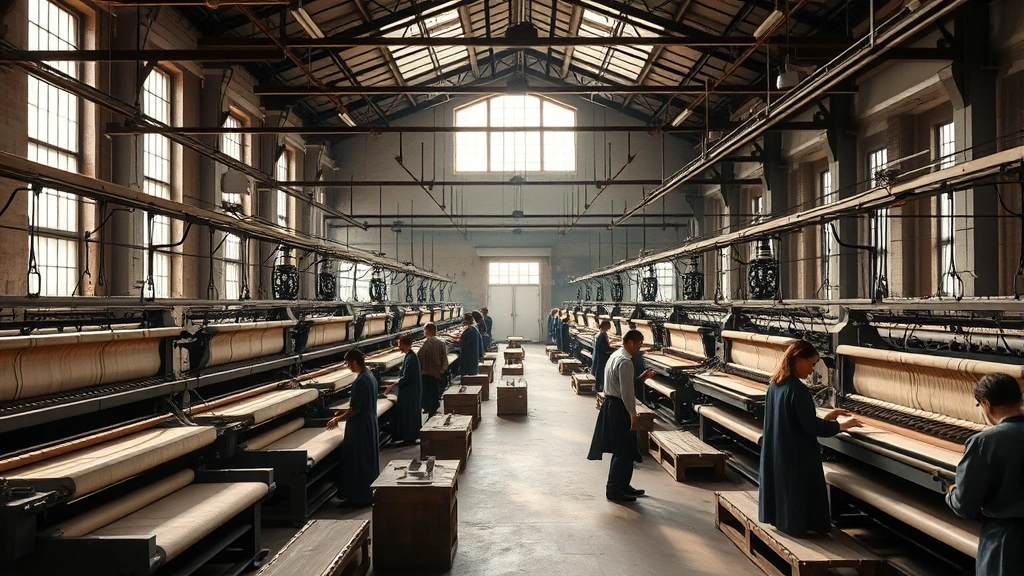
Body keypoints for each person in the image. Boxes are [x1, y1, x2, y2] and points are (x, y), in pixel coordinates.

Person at [758, 340, 862, 536]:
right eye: (811, 364)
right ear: (798, 359)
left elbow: (796, 419)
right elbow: (811, 427)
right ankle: (799, 525)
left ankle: (784, 521)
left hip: (780, 450)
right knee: (799, 490)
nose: (812, 369)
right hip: (797, 454)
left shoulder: (775, 386)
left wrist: (827, 417)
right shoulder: (798, 389)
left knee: (784, 490)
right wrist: (840, 426)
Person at [946, 373, 1024, 576]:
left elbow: (965, 506)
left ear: (986, 404)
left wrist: (952, 493)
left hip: (1007, 545)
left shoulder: (984, 442)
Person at [588, 329, 655, 503]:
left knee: (626, 449)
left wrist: (640, 378)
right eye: (639, 344)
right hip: (619, 408)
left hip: (612, 404)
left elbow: (621, 384)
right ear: (631, 342)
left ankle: (624, 485)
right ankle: (614, 490)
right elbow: (626, 393)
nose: (639, 349)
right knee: (622, 451)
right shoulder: (626, 362)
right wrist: (633, 416)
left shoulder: (616, 355)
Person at [327, 349, 380, 507]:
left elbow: (355, 410)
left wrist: (338, 418)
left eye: (348, 363)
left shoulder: (360, 381)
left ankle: (358, 497)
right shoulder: (370, 377)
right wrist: (343, 412)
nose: (347, 366)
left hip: (360, 427)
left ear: (355, 361)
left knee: (358, 461)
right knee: (367, 460)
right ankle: (367, 493)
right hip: (370, 423)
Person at [385, 335, 422, 444]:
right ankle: (407, 436)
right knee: (407, 414)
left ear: (406, 345)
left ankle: (410, 438)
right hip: (408, 391)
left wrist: (393, 384)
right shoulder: (409, 356)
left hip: (410, 392)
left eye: (400, 344)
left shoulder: (411, 358)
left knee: (409, 415)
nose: (399, 347)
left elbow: (407, 377)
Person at [417, 323, 449, 418]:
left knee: (426, 393)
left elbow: (419, 358)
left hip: (425, 374)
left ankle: (427, 409)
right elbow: (444, 360)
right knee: (435, 393)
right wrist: (442, 370)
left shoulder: (423, 345)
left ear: (426, 331)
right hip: (436, 374)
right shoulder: (441, 343)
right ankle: (433, 411)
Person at [592, 320, 614, 393]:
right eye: (609, 325)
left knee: (599, 372)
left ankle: (597, 387)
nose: (610, 327)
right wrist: (614, 349)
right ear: (606, 326)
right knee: (601, 372)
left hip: (599, 356)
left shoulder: (600, 334)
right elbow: (606, 348)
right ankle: (600, 388)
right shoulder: (603, 335)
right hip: (602, 357)